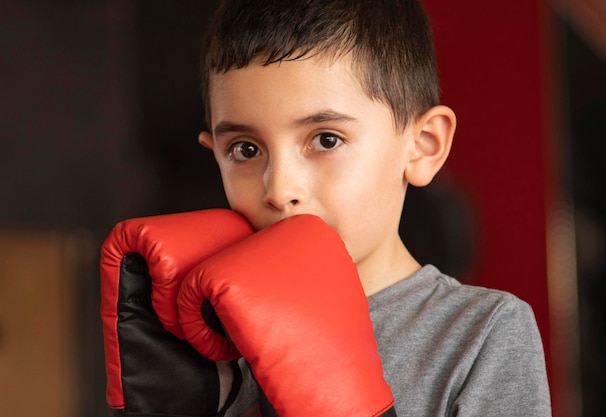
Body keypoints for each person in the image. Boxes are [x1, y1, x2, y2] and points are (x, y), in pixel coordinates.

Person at [153, 0, 553, 415]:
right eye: (245, 149)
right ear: (215, 155)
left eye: (326, 139)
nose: (280, 189)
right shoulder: (212, 337)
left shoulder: (479, 332)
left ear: (422, 146)